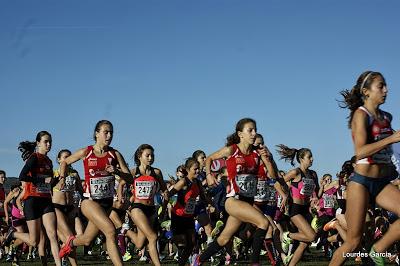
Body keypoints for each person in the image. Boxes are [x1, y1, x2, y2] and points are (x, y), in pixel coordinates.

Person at [330, 71, 400, 266]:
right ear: (366, 91)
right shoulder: (361, 115)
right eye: (380, 86)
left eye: (386, 85)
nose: (386, 90)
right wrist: (392, 138)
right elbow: (360, 151)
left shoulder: (385, 117)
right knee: (352, 243)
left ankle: (378, 250)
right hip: (362, 183)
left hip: (382, 183)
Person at [193, 118, 278, 266]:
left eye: (255, 130)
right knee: (264, 223)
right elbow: (210, 159)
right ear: (240, 134)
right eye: (250, 130)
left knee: (224, 238)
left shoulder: (257, 155)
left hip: (248, 201)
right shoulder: (232, 150)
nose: (254, 133)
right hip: (233, 200)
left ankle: (199, 260)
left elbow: (273, 176)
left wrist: (268, 158)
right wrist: (208, 174)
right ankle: (255, 263)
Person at [58, 120, 132, 266]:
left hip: (106, 203)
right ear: (97, 134)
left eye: (111, 132)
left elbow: (129, 177)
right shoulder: (87, 152)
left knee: (87, 239)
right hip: (89, 202)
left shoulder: (114, 154)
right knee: (111, 231)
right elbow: (65, 162)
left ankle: (70, 243)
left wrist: (116, 171)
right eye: (106, 132)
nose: (109, 135)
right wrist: (62, 177)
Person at [6, 131, 61, 266]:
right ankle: (13, 234)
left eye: (50, 142)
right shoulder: (34, 158)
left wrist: (55, 181)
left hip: (46, 200)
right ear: (38, 143)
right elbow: (22, 176)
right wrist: (41, 179)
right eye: (45, 141)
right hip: (33, 200)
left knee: (52, 236)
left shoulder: (48, 161)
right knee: (33, 241)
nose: (49, 144)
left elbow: (48, 183)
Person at [276, 144, 319, 266]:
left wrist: (315, 198)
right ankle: (287, 235)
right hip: (295, 209)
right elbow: (277, 184)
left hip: (306, 209)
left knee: (304, 243)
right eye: (309, 157)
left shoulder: (313, 174)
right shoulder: (296, 172)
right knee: (311, 237)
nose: (312, 159)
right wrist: (284, 196)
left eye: (312, 157)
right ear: (301, 159)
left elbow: (317, 192)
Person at [127, 144, 168, 266]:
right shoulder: (134, 172)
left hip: (151, 209)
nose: (150, 158)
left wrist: (165, 195)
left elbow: (164, 189)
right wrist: (121, 197)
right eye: (147, 155)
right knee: (153, 237)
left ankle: (125, 231)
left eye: (152, 155)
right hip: (137, 208)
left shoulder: (156, 172)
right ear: (140, 156)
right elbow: (122, 183)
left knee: (140, 243)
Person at [169, 157, 209, 266]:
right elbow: (170, 193)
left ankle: (181, 264)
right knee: (181, 242)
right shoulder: (183, 181)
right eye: (195, 169)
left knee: (191, 243)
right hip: (178, 215)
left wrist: (210, 204)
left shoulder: (198, 182)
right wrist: (164, 204)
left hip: (189, 216)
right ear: (188, 169)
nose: (198, 171)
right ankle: (168, 236)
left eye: (198, 169)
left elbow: (203, 196)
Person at [53, 149, 83, 266]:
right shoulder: (54, 173)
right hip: (57, 207)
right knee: (70, 238)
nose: (68, 159)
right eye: (65, 157)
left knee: (78, 237)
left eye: (70, 157)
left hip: (71, 207)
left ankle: (62, 252)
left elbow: (80, 189)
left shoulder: (74, 173)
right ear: (59, 159)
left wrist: (82, 202)